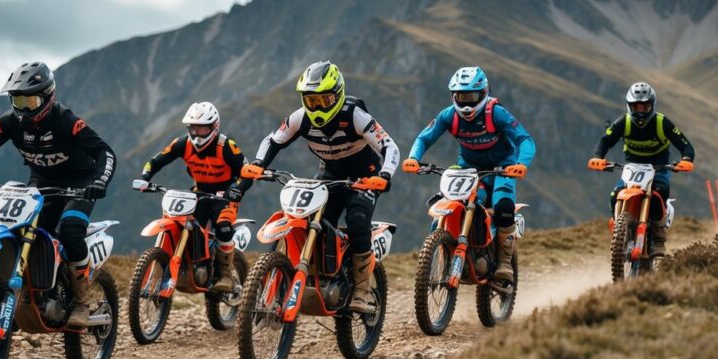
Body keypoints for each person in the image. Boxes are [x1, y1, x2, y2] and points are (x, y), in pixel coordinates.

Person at [0, 62, 116, 328]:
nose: (23, 108)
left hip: (80, 181)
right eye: (18, 100)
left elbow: (105, 152)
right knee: (23, 231)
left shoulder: (66, 121)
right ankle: (27, 299)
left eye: (30, 100)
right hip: (42, 182)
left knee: (70, 229)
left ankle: (81, 303)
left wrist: (100, 182)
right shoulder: (10, 123)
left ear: (48, 97)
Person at [241, 61, 399, 314]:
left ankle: (362, 289)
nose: (317, 107)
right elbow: (273, 140)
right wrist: (259, 164)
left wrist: (384, 175)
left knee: (358, 219)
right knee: (310, 218)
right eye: (311, 101)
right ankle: (312, 273)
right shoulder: (299, 118)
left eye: (324, 100)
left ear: (338, 95)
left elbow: (390, 146)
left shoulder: (355, 116)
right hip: (330, 174)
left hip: (364, 177)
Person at [402, 67, 535, 283]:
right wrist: (413, 158)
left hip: (502, 167)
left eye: (471, 97)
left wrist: (521, 163)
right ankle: (442, 247)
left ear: (483, 93)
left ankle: (503, 262)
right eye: (461, 97)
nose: (466, 103)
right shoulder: (449, 115)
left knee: (502, 206)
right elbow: (424, 138)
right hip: (468, 168)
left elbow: (525, 140)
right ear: (453, 96)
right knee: (450, 203)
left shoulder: (496, 113)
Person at [135, 102, 246, 291]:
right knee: (184, 224)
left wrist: (237, 189)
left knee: (223, 227)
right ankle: (190, 264)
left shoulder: (226, 146)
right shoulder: (182, 144)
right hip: (198, 194)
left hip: (224, 197)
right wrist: (145, 177)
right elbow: (156, 160)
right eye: (193, 128)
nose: (197, 133)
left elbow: (246, 171)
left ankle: (226, 275)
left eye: (203, 128)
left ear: (214, 127)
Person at [587, 82, 694, 257]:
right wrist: (598, 157)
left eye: (645, 106)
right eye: (636, 106)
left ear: (652, 105)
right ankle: (619, 230)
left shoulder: (662, 123)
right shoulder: (624, 122)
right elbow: (605, 140)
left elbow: (685, 145)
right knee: (615, 195)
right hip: (631, 167)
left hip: (659, 168)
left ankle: (658, 241)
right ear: (629, 106)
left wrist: (686, 159)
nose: (641, 111)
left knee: (660, 193)